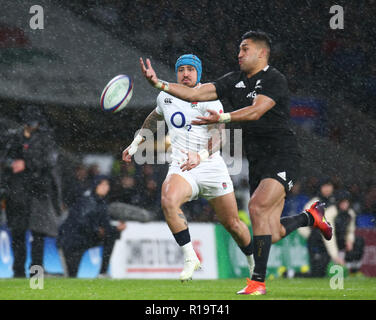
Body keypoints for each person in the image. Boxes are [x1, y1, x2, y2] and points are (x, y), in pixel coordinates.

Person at [138, 31, 333, 294]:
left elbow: (256, 110)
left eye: (245, 49)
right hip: (257, 159)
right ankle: (310, 217)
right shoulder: (233, 80)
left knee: (256, 207)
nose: (239, 54)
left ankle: (258, 282)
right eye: (239, 49)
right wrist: (159, 84)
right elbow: (196, 92)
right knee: (271, 231)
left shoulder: (274, 79)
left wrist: (223, 118)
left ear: (262, 53)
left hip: (282, 154)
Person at [123, 54, 254, 281]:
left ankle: (254, 264)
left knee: (233, 224)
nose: (185, 73)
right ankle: (190, 257)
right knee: (168, 200)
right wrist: (135, 144)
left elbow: (220, 138)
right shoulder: (166, 96)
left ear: (198, 73)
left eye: (190, 70)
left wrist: (200, 156)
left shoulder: (210, 98)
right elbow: (154, 118)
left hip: (211, 166)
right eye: (181, 69)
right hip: (182, 166)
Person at [2, 105, 63, 277]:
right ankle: (18, 272)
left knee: (38, 234)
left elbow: (50, 160)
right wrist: (10, 164)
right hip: (17, 192)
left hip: (38, 191)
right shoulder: (14, 137)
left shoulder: (45, 138)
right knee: (18, 232)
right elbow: (4, 158)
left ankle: (36, 272)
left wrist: (27, 164)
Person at [57, 175, 126, 277]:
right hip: (72, 240)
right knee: (71, 274)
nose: (105, 187)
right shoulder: (86, 201)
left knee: (111, 236)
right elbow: (81, 222)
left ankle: (102, 273)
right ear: (95, 186)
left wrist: (115, 229)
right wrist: (98, 229)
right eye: (102, 184)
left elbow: (104, 225)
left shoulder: (102, 203)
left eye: (107, 185)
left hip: (86, 238)